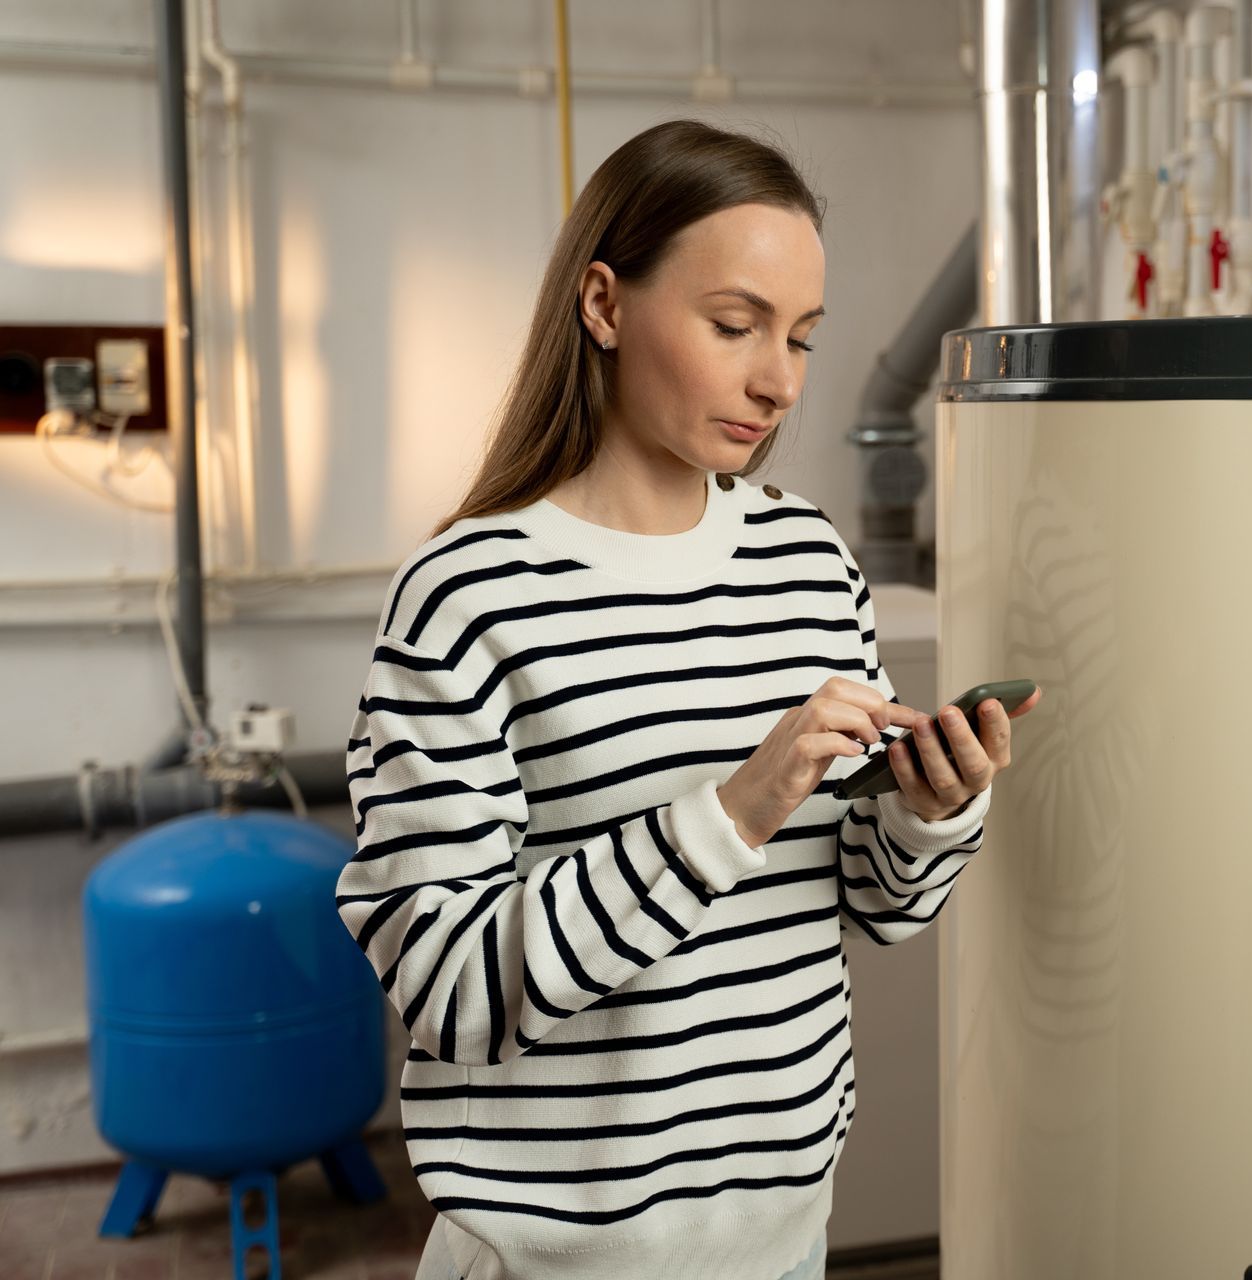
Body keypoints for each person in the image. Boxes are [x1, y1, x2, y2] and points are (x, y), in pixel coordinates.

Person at [336, 119, 1041, 1280]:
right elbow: (449, 986)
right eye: (734, 325)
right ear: (605, 304)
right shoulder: (469, 591)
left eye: (804, 338)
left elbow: (869, 903)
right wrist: (728, 813)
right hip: (550, 1256)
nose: (778, 379)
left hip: (783, 1237)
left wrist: (930, 811)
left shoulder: (809, 562)